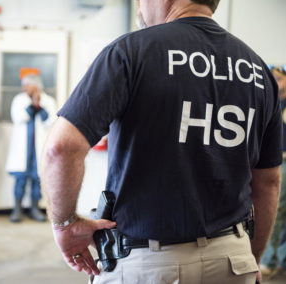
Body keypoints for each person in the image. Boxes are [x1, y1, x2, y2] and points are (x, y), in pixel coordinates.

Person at [40, 0, 282, 283]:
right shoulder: (258, 71)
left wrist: (64, 223)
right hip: (232, 259)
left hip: (148, 262)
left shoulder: (132, 52)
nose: (140, 6)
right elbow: (268, 182)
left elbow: (60, 148)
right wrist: (251, 258)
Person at [6, 74, 56, 223]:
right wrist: (31, 107)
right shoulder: (19, 100)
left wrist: (40, 107)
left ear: (36, 86)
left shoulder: (49, 101)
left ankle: (35, 209)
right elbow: (18, 118)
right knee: (20, 180)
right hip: (23, 150)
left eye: (27, 85)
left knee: (37, 180)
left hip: (39, 149)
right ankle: (17, 209)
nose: (24, 88)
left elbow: (51, 122)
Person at [260, 66, 286, 279]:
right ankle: (277, 259)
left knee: (277, 211)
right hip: (271, 162)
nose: (276, 83)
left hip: (282, 163)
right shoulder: (271, 100)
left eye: (280, 79)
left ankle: (270, 260)